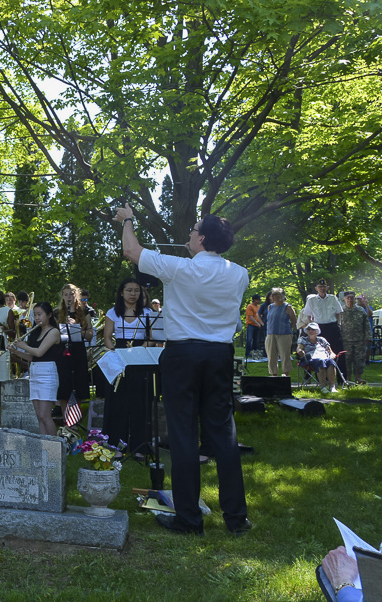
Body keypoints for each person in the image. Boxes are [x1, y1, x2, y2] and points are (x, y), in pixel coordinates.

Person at [116, 203, 251, 537]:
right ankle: (236, 519)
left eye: (193, 230)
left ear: (202, 238)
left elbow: (131, 250)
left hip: (183, 355)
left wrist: (128, 219)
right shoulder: (240, 273)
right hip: (220, 355)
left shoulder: (179, 268)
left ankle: (189, 520)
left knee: (183, 435)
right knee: (224, 435)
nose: (189, 234)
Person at [101, 278, 153, 453]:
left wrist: (139, 352)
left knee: (140, 402)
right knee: (118, 402)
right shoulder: (112, 312)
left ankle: (140, 446)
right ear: (121, 293)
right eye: (129, 290)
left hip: (140, 356)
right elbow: (107, 337)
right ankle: (115, 445)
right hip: (119, 356)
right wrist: (116, 354)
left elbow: (151, 338)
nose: (133, 294)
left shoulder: (148, 312)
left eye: (136, 290)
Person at [11, 302, 62, 435]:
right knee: (39, 416)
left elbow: (39, 352)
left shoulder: (54, 332)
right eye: (35, 315)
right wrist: (15, 352)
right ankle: (43, 444)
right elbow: (32, 357)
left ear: (49, 315)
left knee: (45, 416)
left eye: (40, 314)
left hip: (47, 374)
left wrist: (23, 346)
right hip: (35, 373)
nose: (37, 318)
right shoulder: (35, 332)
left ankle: (54, 444)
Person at [57, 284, 95, 404]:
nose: (69, 297)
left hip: (78, 351)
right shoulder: (57, 313)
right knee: (64, 385)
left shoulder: (85, 312)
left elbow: (89, 335)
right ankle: (64, 413)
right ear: (62, 297)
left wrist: (76, 328)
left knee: (79, 384)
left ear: (77, 295)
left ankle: (77, 412)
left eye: (71, 294)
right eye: (66, 294)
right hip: (62, 351)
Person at [305, 279, 345, 380]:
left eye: (324, 287)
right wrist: (311, 327)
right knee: (319, 353)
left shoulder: (333, 298)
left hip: (332, 326)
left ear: (327, 288)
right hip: (319, 328)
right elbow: (308, 315)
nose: (322, 289)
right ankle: (323, 380)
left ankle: (341, 379)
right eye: (320, 287)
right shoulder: (311, 300)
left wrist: (338, 324)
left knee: (338, 352)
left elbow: (338, 313)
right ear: (316, 288)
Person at [297, 323, 339, 393]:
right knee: (320, 361)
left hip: (323, 356)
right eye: (309, 329)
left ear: (317, 331)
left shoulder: (321, 339)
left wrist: (332, 354)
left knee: (331, 362)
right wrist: (300, 351)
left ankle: (332, 386)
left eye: (313, 329)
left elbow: (330, 351)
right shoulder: (303, 339)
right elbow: (299, 348)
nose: (310, 331)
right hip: (310, 359)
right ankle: (323, 387)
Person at [264, 288, 297, 377]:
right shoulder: (270, 307)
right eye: (272, 295)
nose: (273, 296)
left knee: (285, 355)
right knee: (271, 356)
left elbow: (294, 320)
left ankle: (285, 374)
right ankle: (273, 374)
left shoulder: (287, 307)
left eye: (276, 294)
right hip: (270, 334)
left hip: (284, 334)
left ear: (282, 296)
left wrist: (288, 328)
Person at [341, 291, 372, 385]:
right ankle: (347, 378)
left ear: (354, 299)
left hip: (359, 340)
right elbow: (338, 325)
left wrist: (368, 337)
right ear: (344, 299)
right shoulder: (341, 310)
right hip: (345, 340)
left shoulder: (360, 310)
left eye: (352, 297)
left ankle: (358, 378)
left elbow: (366, 324)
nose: (350, 299)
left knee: (359, 359)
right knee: (347, 360)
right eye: (348, 297)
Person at [245, 294, 264, 359]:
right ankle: (247, 354)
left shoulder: (259, 307)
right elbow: (250, 316)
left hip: (257, 326)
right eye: (259, 300)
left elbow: (260, 315)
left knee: (256, 340)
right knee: (249, 339)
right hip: (251, 325)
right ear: (255, 300)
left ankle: (254, 353)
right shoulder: (250, 306)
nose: (260, 301)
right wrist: (257, 323)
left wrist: (260, 323)